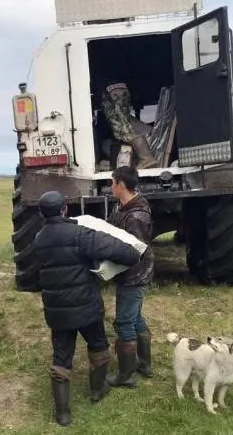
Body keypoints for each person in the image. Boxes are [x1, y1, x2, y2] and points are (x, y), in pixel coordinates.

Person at [31, 191, 142, 427]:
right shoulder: (80, 234)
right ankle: (98, 389)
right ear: (65, 210)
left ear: (41, 214)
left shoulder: (38, 239)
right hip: (87, 307)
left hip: (57, 311)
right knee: (98, 345)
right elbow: (128, 253)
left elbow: (34, 277)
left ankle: (63, 413)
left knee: (61, 356)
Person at [105, 166, 155, 388]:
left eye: (112, 182)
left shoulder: (136, 216)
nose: (110, 186)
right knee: (135, 318)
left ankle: (125, 376)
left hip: (134, 275)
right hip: (128, 273)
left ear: (121, 185)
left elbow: (133, 251)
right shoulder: (121, 207)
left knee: (124, 321)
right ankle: (144, 364)